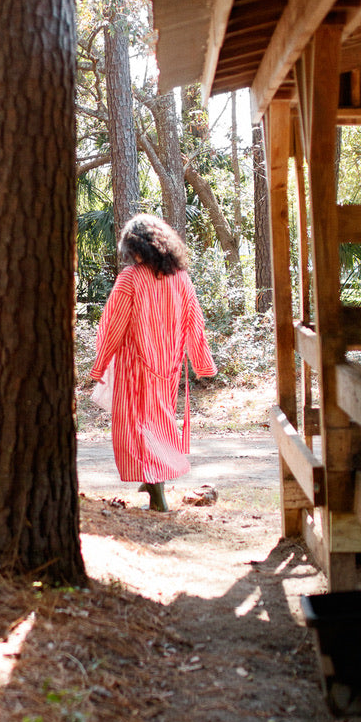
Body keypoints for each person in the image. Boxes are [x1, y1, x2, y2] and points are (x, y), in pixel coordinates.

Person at [90, 213, 217, 512]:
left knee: (140, 430)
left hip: (136, 367)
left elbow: (113, 325)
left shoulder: (131, 278)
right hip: (168, 368)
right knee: (158, 425)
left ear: (138, 248)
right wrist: (202, 363)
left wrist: (100, 365)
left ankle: (158, 498)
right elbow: (194, 322)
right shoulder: (181, 278)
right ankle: (151, 483)